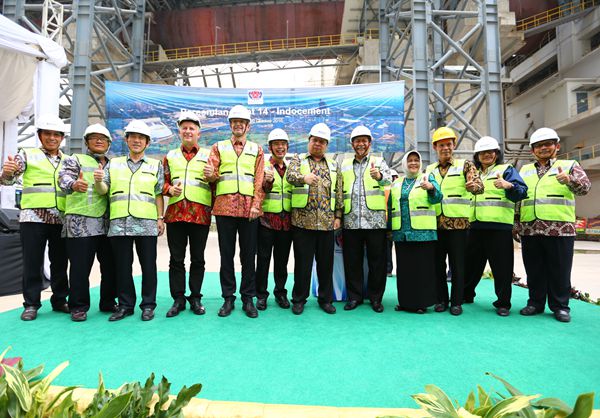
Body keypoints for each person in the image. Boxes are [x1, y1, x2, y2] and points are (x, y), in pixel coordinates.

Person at [516, 127, 590, 322]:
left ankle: (560, 306)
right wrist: (516, 224)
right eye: (538, 145)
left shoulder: (570, 165)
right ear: (532, 150)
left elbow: (585, 188)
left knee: (560, 270)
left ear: (557, 146)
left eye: (547, 144)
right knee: (534, 269)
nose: (543, 148)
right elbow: (518, 199)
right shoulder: (524, 170)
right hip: (530, 228)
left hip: (560, 229)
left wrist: (570, 180)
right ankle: (535, 303)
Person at [94, 120, 165, 321]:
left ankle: (148, 305)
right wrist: (98, 181)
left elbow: (158, 193)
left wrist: (160, 218)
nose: (136, 140)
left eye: (141, 138)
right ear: (126, 140)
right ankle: (125, 305)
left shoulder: (155, 165)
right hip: (119, 223)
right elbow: (104, 190)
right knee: (122, 267)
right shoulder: (114, 164)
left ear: (147, 143)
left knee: (148, 266)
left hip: (147, 223)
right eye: (133, 136)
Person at [0, 114, 69, 321]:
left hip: (60, 219)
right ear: (40, 135)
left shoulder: (68, 161)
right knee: (32, 262)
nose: (52, 138)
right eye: (47, 133)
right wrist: (7, 173)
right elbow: (8, 180)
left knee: (60, 262)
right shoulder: (26, 155)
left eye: (56, 134)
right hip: (32, 218)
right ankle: (31, 304)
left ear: (62, 138)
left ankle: (59, 300)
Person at [203, 105, 264, 318]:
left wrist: (256, 204)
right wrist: (210, 175)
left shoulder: (257, 150)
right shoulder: (218, 147)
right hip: (224, 209)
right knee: (226, 255)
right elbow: (211, 176)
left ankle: (248, 298)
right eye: (235, 121)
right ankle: (228, 298)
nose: (238, 125)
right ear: (230, 125)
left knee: (248, 256)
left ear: (248, 126)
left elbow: (258, 180)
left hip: (249, 211)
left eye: (242, 122)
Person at [59, 123, 117, 321]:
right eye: (94, 137)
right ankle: (78, 306)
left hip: (107, 224)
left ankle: (108, 302)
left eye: (103, 138)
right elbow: (63, 179)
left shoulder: (114, 165)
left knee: (110, 266)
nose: (99, 141)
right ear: (86, 142)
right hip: (80, 223)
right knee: (80, 268)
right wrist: (74, 184)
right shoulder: (75, 160)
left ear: (109, 143)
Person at [463, 136, 527, 316]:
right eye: (482, 152)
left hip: (499, 228)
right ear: (477, 155)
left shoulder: (506, 170)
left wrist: (509, 185)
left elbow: (522, 192)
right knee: (471, 265)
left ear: (497, 154)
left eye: (490, 152)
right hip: (475, 226)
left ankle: (503, 303)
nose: (487, 155)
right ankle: (466, 295)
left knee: (502, 268)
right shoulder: (474, 173)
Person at [286, 123, 344, 315]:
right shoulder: (298, 159)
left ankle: (325, 299)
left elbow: (339, 192)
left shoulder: (334, 165)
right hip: (303, 222)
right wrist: (304, 178)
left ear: (326, 145)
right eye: (314, 140)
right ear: (309, 141)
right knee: (302, 265)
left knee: (325, 265)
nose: (317, 144)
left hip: (327, 223)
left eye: (321, 141)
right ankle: (299, 299)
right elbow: (289, 176)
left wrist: (338, 216)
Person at [425, 126, 484, 315]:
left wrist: (473, 186)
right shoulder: (429, 170)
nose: (445, 148)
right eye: (441, 145)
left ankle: (456, 302)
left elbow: (479, 185)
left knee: (458, 265)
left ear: (454, 145)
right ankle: (441, 300)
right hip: (435, 225)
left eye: (449, 144)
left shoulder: (465, 165)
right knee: (437, 265)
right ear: (435, 147)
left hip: (459, 226)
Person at [162, 111, 212, 318]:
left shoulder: (209, 155)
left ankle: (196, 298)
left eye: (192, 128)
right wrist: (168, 189)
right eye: (184, 128)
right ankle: (178, 299)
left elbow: (216, 182)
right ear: (179, 132)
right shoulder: (170, 156)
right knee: (176, 259)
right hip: (176, 215)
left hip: (200, 215)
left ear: (198, 133)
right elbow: (162, 182)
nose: (188, 131)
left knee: (198, 259)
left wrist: (213, 176)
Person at [340, 126, 392, 313]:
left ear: (369, 143)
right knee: (352, 262)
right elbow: (339, 190)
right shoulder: (344, 164)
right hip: (351, 221)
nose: (360, 144)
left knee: (377, 262)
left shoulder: (379, 162)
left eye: (364, 141)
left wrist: (379, 176)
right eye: (357, 141)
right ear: (352, 144)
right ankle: (355, 297)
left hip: (375, 221)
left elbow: (389, 180)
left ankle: (376, 298)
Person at [389, 150, 442, 313]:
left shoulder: (427, 178)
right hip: (402, 234)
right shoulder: (397, 182)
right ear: (404, 163)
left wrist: (431, 188)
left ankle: (421, 303)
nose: (413, 163)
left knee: (422, 270)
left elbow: (438, 197)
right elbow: (391, 206)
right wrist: (389, 229)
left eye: (416, 160)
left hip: (422, 233)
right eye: (410, 160)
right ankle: (405, 302)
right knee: (405, 270)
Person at [255, 128, 293, 310]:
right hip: (266, 222)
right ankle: (261, 295)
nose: (280, 147)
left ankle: (280, 292)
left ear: (287, 147)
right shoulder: (263, 167)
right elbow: (260, 189)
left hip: (286, 223)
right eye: (276, 144)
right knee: (263, 260)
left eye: (283, 144)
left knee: (282, 261)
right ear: (270, 147)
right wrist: (267, 181)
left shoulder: (291, 169)